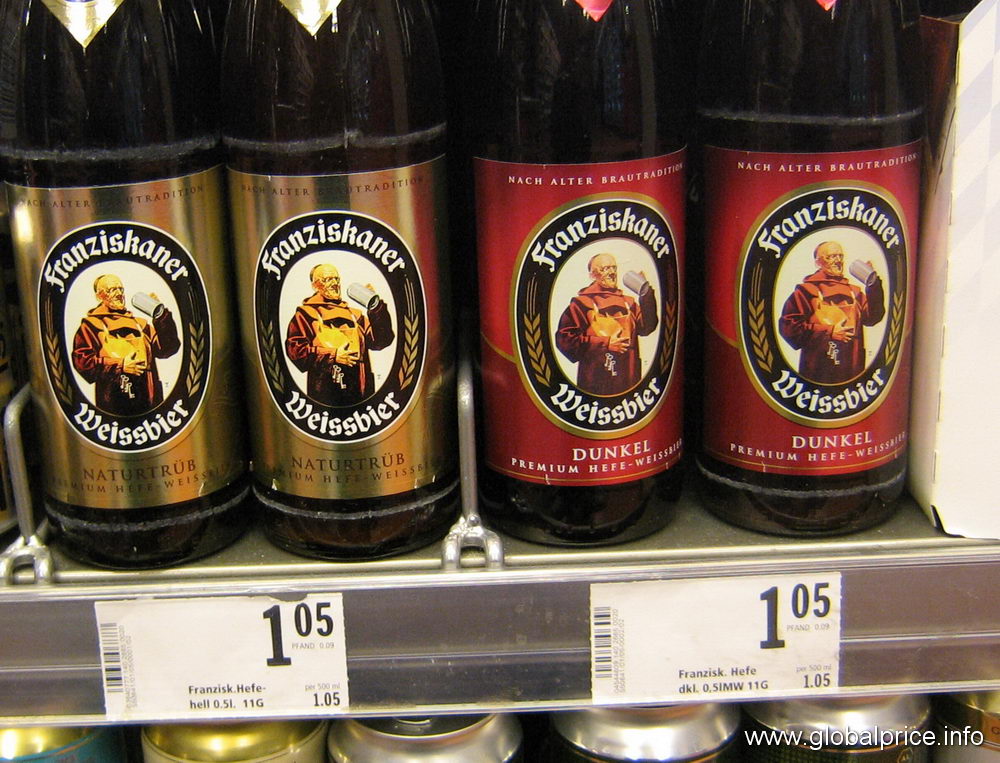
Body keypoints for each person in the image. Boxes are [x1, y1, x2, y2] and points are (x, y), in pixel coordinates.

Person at [285, 263, 394, 406]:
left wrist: (376, 308)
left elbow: (381, 341)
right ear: (314, 286)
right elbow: (296, 352)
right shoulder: (305, 315)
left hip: (361, 392)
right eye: (327, 279)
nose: (334, 283)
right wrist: (333, 355)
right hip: (325, 396)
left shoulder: (355, 315)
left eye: (336, 279)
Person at [71, 273, 181, 416]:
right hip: (113, 405)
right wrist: (120, 365)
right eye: (112, 290)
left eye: (120, 289)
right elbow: (82, 363)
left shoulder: (140, 324)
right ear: (99, 296)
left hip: (150, 401)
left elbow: (168, 348)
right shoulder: (91, 326)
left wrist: (161, 317)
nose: (119, 294)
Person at [778, 240, 885, 384]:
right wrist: (829, 332)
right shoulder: (806, 292)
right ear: (818, 263)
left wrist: (873, 284)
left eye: (840, 256)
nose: (838, 260)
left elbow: (873, 317)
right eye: (832, 256)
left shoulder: (855, 292)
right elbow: (789, 329)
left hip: (853, 369)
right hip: (817, 373)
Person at [555, 252, 658, 396]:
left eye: (614, 268)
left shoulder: (629, 302)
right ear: (592, 275)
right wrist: (605, 344)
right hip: (595, 384)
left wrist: (646, 294)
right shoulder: (581, 304)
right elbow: (565, 341)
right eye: (605, 269)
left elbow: (648, 327)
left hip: (629, 379)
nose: (612, 272)